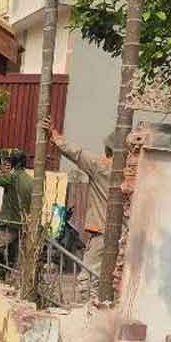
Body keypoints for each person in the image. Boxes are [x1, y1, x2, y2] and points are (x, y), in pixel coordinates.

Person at [44, 118, 111, 279]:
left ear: (107, 150)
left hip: (102, 232)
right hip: (124, 235)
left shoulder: (101, 166)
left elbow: (76, 153)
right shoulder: (134, 171)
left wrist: (54, 135)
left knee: (88, 277)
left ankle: (86, 302)